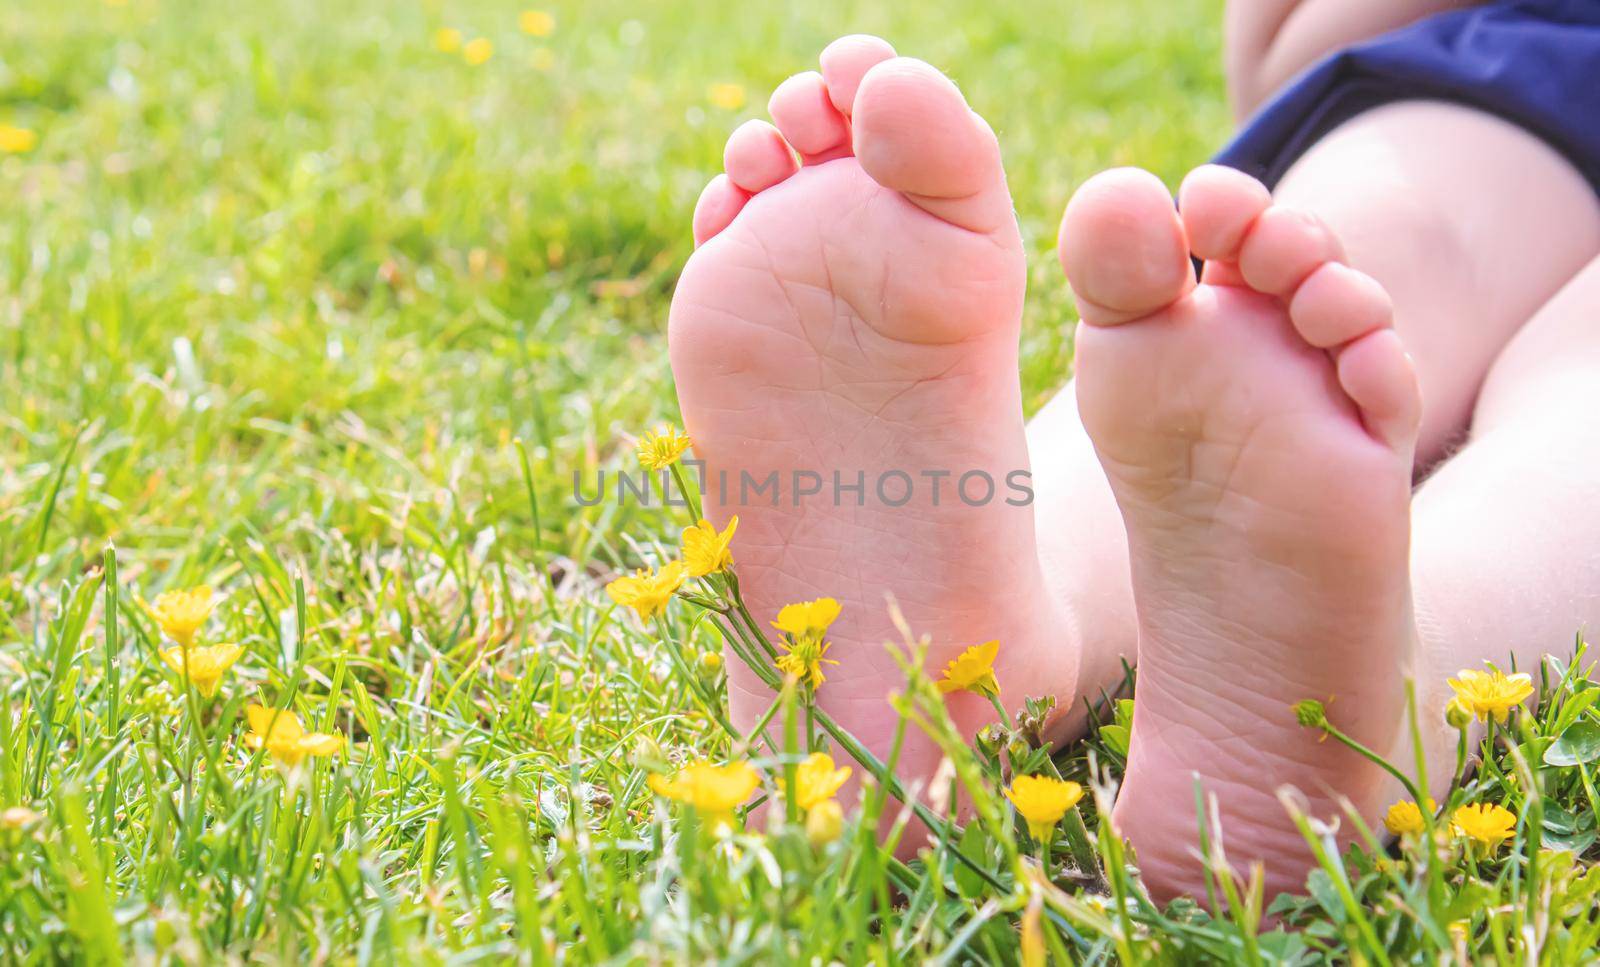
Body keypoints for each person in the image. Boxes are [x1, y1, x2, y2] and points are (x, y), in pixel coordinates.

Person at [665, 1, 1600, 901]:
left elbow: (1279, 53)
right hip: (1533, 58)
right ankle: (1378, 701)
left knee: (1383, 252)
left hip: (1518, 69)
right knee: (1332, 321)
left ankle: (1037, 612)